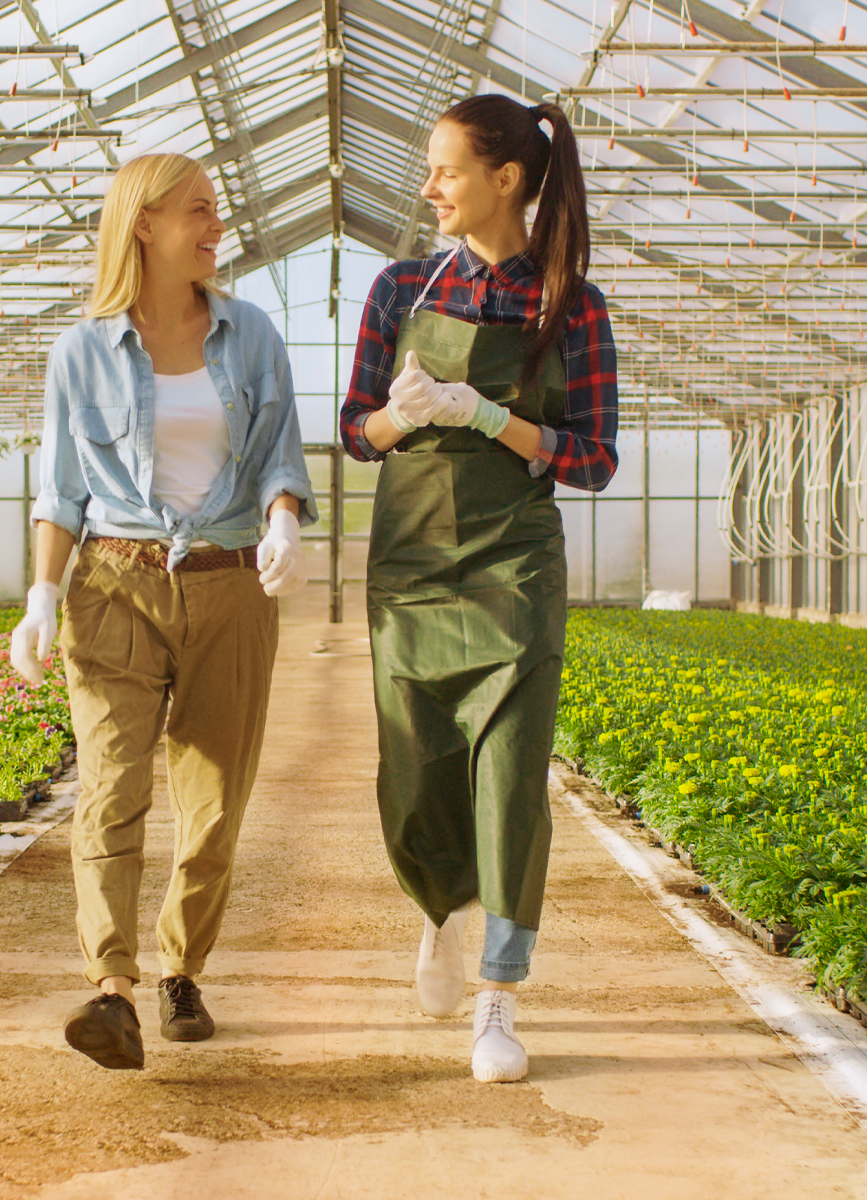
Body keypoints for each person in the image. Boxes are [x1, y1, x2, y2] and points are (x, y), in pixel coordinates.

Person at [9, 153, 317, 1070]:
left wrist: (284, 522)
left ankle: (183, 968)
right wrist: (41, 596)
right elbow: (61, 491)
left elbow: (280, 457)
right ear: (143, 223)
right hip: (113, 586)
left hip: (230, 587)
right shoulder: (80, 351)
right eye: (200, 210)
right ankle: (112, 988)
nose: (217, 226)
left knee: (215, 800)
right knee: (111, 789)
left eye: (217, 211)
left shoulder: (252, 334)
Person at [340, 95, 618, 1083]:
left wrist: (488, 415)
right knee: (414, 769)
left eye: (445, 170)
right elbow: (351, 433)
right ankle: (440, 909)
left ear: (506, 179)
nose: (428, 189)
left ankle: (499, 999)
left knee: (509, 778)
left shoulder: (569, 304)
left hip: (515, 563)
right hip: (412, 563)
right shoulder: (399, 286)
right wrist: (397, 418)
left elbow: (592, 459)